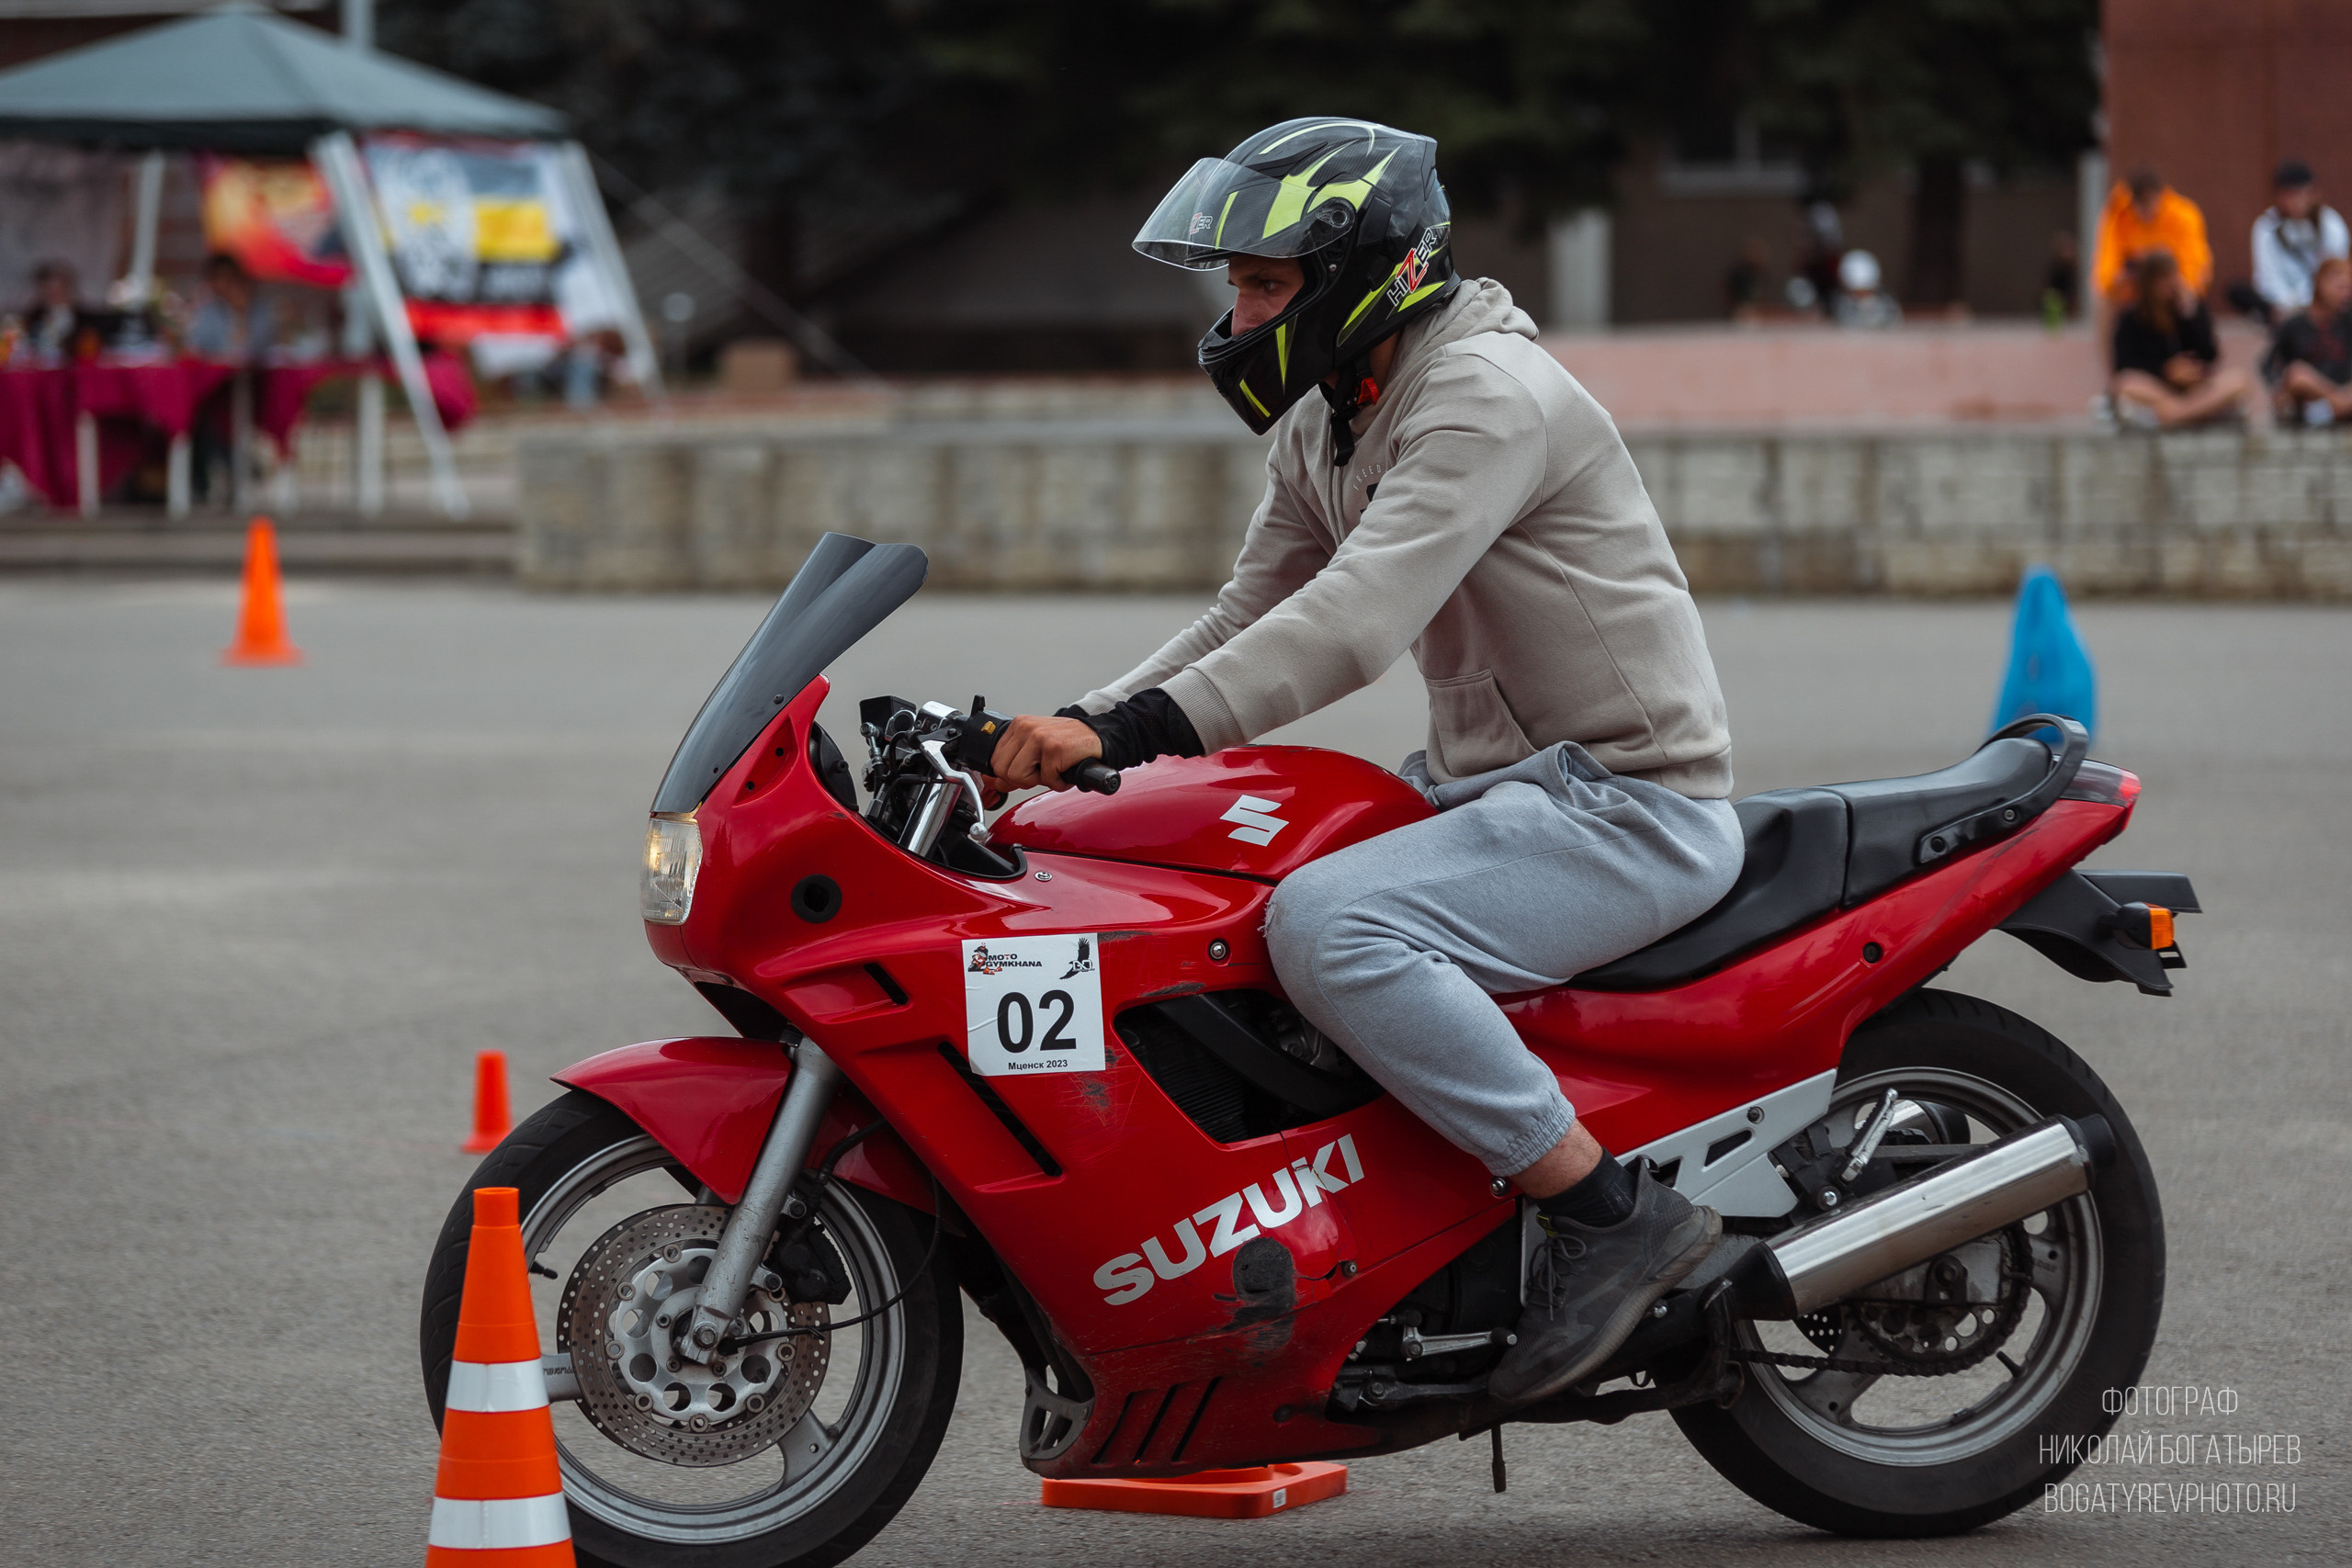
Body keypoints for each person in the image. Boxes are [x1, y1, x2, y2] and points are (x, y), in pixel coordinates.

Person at [983, 119, 1738, 1407]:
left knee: (1332, 926)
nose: (1237, 314)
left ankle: (1607, 1212)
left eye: (1264, 284)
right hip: (1498, 788)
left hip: (1629, 803)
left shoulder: (1484, 395)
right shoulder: (1333, 414)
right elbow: (1243, 614)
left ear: (1365, 274)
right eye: (1235, 285)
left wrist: (1131, 731)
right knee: (1236, 882)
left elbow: (1355, 619)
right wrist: (1072, 730)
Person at [2109, 248, 2254, 428]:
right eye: (2163, 278)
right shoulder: (2131, 319)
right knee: (2126, 384)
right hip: (2158, 389)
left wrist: (2192, 317)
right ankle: (2200, 414)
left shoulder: (2190, 311)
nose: (2170, 284)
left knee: (2238, 380)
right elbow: (2124, 365)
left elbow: (2210, 355)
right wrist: (2166, 371)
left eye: (2172, 276)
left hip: (2193, 390)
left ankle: (2176, 416)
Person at [2094, 167, 2212, 308]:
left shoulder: (2183, 215)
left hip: (2172, 284)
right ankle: (2112, 330)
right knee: (2104, 297)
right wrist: (2114, 281)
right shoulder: (2119, 215)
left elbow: (2194, 263)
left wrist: (2182, 284)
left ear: (2160, 196)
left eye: (2148, 201)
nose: (2143, 209)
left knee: (2188, 297)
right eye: (2137, 203)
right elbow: (2107, 264)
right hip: (2136, 289)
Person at [2250, 159, 2348, 321]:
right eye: (2289, 195)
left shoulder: (2330, 223)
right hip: (2282, 307)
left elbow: (2337, 270)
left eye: (2301, 194)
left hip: (2325, 301)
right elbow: (2267, 278)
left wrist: (2313, 301)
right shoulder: (2267, 226)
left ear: (2313, 194)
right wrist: (2289, 304)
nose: (2295, 201)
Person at [2269, 255, 2352, 424]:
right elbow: (2270, 364)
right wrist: (2277, 388)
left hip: (2343, 387)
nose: (2346, 294)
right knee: (2298, 374)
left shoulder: (2347, 320)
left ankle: (2323, 414)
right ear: (2321, 284)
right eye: (2340, 288)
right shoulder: (2295, 324)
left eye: (2348, 289)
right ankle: (2335, 409)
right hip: (2309, 393)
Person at [186, 253, 276, 364]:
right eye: (217, 278)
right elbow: (195, 350)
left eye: (228, 277)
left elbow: (256, 351)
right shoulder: (208, 312)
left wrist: (241, 314)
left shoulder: (261, 310)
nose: (223, 284)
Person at [24, 260, 83, 363]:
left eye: (58, 288)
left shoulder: (83, 316)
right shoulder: (33, 316)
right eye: (48, 288)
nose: (53, 293)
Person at [1830, 248, 1901, 328]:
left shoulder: (1888, 307)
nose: (1862, 298)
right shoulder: (1841, 307)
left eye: (1866, 292)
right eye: (1857, 293)